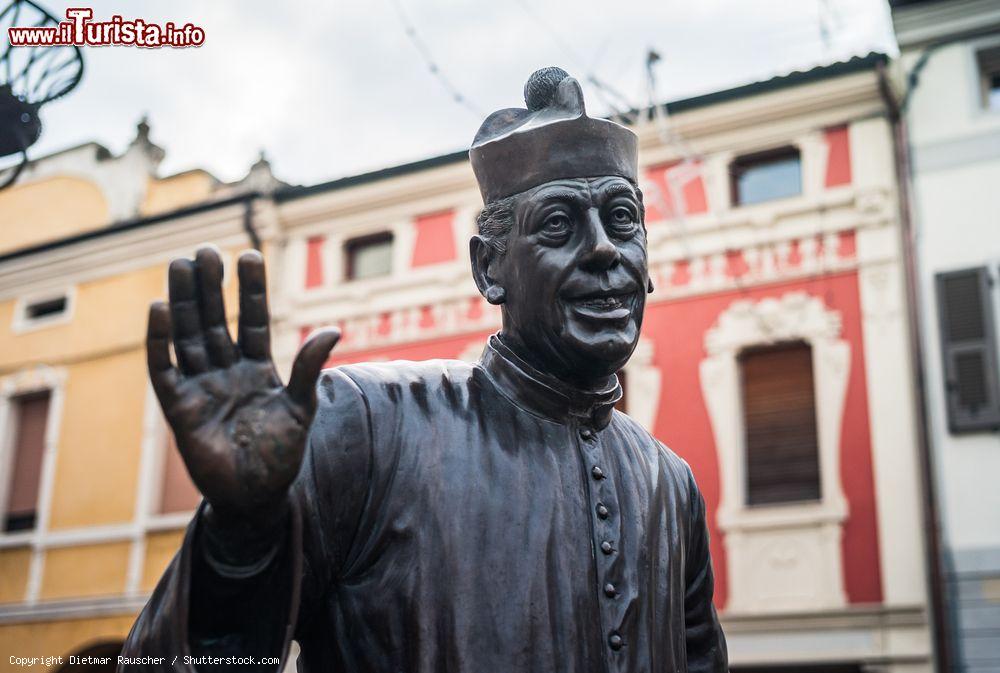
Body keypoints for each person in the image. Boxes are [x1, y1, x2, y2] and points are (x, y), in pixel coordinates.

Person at [121, 66, 728, 673]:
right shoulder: (362, 426)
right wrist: (240, 541)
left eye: (623, 219)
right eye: (559, 225)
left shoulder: (669, 484)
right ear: (490, 269)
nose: (603, 249)